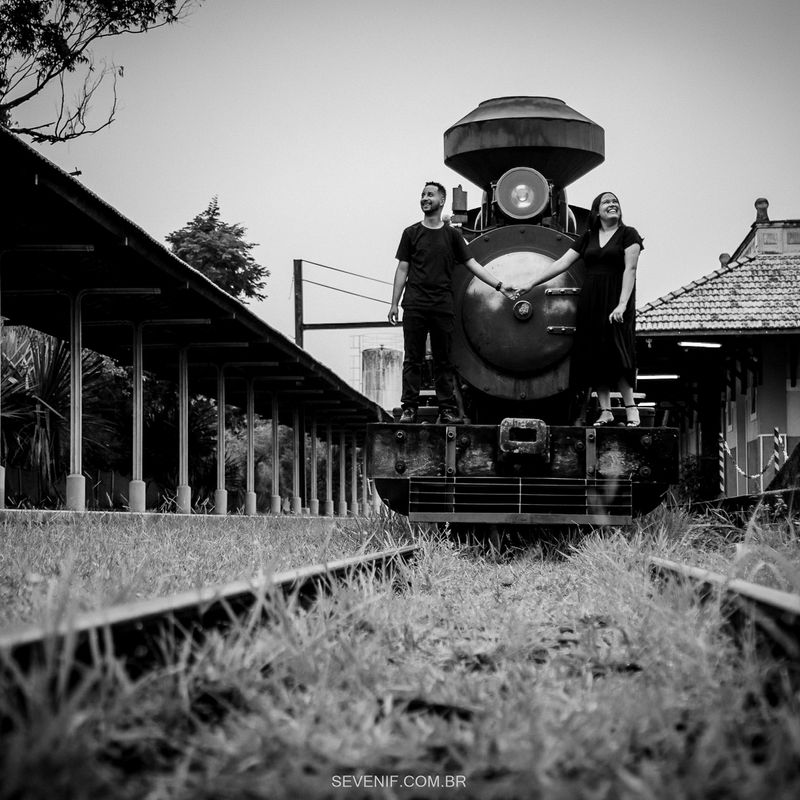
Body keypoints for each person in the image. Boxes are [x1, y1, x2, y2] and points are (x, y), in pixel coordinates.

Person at [513, 191, 644, 426]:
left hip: (616, 297)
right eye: (606, 202)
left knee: (618, 352)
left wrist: (622, 304)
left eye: (615, 201)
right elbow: (562, 263)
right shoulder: (589, 237)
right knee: (595, 353)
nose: (612, 204)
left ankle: (631, 408)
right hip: (591, 298)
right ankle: (606, 410)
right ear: (597, 211)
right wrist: (531, 283)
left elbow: (630, 269)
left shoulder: (628, 234)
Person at [389, 181, 516, 423]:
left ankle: (446, 409)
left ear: (442, 200)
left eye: (430, 194)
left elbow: (473, 264)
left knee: (443, 360)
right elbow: (402, 269)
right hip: (415, 304)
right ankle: (409, 408)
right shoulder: (410, 233)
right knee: (412, 359)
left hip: (442, 305)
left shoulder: (452, 236)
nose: (425, 198)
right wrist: (394, 303)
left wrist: (500, 285)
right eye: (423, 194)